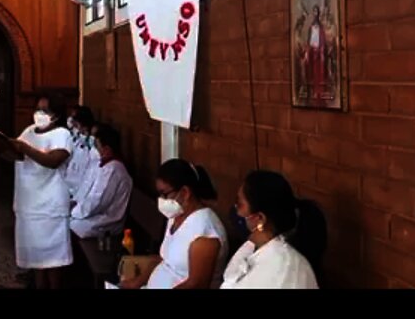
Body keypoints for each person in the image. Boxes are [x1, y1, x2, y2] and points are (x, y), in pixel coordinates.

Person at [120, 159, 228, 289]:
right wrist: (135, 283)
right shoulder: (176, 215)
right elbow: (163, 260)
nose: (162, 200)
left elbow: (196, 285)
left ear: (185, 193)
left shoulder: (205, 231)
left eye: (164, 194)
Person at [10, 95, 75, 290]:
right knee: (37, 257)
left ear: (55, 114)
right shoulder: (29, 131)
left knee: (53, 258)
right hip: (29, 204)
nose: (40, 114)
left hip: (50, 206)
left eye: (45, 110)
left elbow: (53, 161)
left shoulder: (63, 134)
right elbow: (16, 152)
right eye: (38, 109)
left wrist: (25, 148)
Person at [221, 170, 322, 289]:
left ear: (260, 218)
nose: (236, 210)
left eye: (239, 204)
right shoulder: (261, 249)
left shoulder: (283, 268)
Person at [69, 123, 132, 241]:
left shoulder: (113, 169)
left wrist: (74, 211)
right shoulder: (106, 166)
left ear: (107, 149)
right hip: (97, 215)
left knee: (71, 224)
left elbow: (98, 201)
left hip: (108, 221)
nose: (95, 150)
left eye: (97, 146)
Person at [63, 106, 98, 199]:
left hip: (78, 191)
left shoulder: (91, 145)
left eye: (74, 119)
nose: (71, 121)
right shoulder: (76, 137)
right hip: (67, 185)